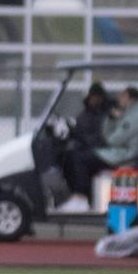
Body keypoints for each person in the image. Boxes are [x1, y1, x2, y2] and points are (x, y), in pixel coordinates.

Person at [57, 82, 114, 211]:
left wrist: (81, 139)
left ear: (101, 98)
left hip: (103, 151)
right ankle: (74, 195)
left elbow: (102, 138)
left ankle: (81, 197)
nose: (94, 99)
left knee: (77, 159)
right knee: (67, 157)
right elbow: (80, 131)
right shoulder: (86, 113)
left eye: (97, 97)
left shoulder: (107, 115)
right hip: (88, 148)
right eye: (92, 96)